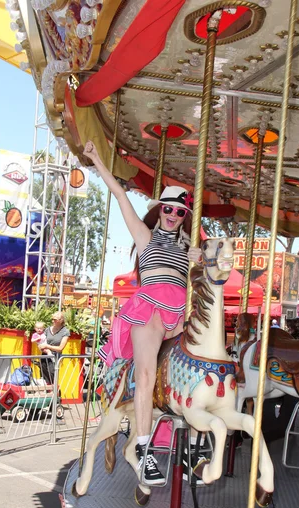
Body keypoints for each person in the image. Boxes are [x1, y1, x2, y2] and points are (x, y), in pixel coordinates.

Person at [84, 140, 202, 485]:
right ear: (160, 209)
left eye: (180, 212)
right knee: (148, 376)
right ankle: (143, 448)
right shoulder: (145, 236)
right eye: (169, 209)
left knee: (200, 366)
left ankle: (196, 441)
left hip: (179, 312)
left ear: (185, 217)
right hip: (149, 311)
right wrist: (96, 158)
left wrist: (202, 259)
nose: (173, 216)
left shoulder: (188, 246)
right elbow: (121, 196)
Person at [38, 312, 70, 385]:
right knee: (44, 376)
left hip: (55, 356)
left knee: (52, 375)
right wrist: (42, 347)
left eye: (55, 319)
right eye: (52, 319)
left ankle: (55, 393)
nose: (53, 321)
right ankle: (46, 393)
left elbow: (60, 348)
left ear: (61, 320)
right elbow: (41, 341)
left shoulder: (65, 331)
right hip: (45, 354)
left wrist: (47, 346)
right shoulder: (47, 329)